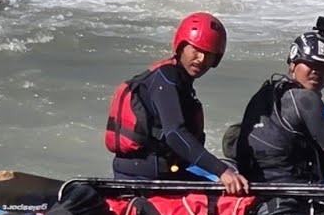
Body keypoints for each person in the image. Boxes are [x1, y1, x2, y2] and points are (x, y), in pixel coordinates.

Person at [106, 12, 250, 195]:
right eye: (196, 50)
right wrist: (221, 171)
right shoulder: (166, 78)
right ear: (181, 46)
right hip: (145, 177)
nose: (202, 59)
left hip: (158, 171)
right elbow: (175, 134)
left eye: (209, 54)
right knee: (228, 194)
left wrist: (222, 168)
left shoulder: (178, 81)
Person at [236, 17, 324, 183]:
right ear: (293, 64)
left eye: (323, 66)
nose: (316, 71)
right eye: (310, 64)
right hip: (293, 195)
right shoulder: (306, 99)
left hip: (256, 189)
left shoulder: (265, 92)